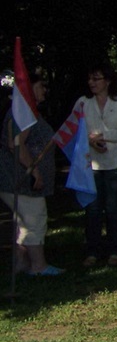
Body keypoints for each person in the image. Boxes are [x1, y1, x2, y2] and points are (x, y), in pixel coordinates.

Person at [3, 75, 61, 277]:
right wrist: (34, 170)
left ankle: (21, 263)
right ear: (29, 88)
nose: (44, 90)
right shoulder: (24, 112)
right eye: (40, 86)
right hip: (21, 180)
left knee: (23, 222)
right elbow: (16, 144)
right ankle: (38, 266)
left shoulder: (25, 111)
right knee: (34, 220)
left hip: (15, 179)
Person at [81, 66, 117, 267]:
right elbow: (76, 129)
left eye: (96, 78)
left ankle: (114, 250)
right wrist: (91, 141)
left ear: (108, 81)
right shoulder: (84, 103)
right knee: (93, 209)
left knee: (113, 208)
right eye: (90, 79)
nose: (92, 83)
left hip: (115, 162)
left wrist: (104, 136)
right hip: (92, 163)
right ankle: (92, 251)